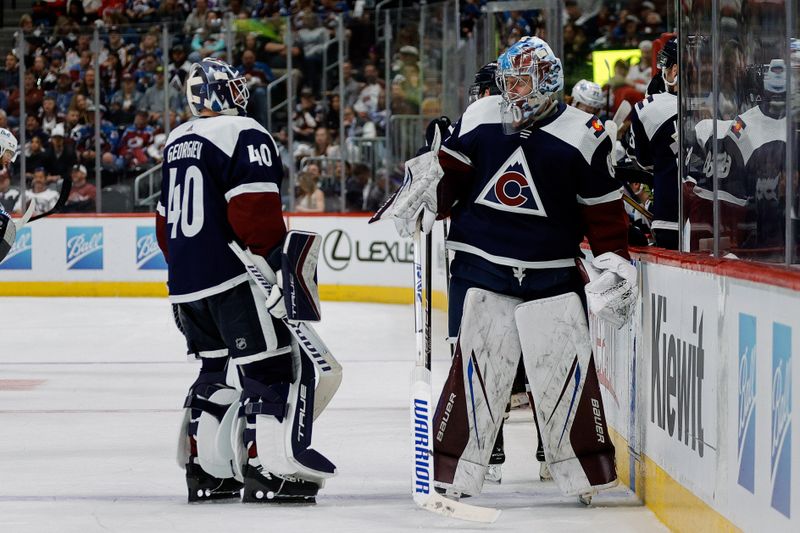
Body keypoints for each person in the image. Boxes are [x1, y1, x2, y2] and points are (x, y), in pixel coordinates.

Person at [373, 36, 633, 504]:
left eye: (520, 82)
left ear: (547, 83)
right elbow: (450, 175)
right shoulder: (481, 116)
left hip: (551, 272)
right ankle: (454, 469)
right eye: (506, 81)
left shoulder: (586, 133)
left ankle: (584, 469)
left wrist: (613, 262)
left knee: (565, 371)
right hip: (481, 264)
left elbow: (604, 211)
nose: (510, 91)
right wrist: (427, 192)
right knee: (476, 368)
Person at [155, 58, 336, 504]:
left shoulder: (176, 141)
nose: (241, 94)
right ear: (218, 93)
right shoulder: (244, 132)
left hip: (186, 284)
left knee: (214, 370)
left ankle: (207, 472)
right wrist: (277, 264)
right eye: (233, 87)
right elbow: (252, 210)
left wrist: (188, 263)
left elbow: (163, 224)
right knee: (269, 369)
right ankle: (268, 471)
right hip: (235, 277)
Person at [627, 36, 679, 249]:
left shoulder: (648, 109)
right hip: (720, 218)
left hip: (670, 216)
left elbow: (643, 161)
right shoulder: (727, 107)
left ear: (674, 70)